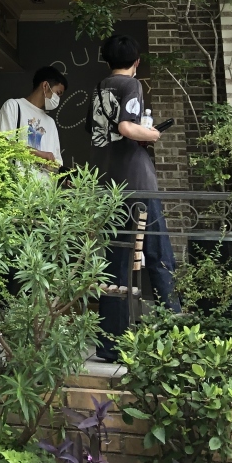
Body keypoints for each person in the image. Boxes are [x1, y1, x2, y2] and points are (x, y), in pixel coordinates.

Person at [89, 34, 180, 362]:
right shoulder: (132, 85)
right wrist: (151, 134)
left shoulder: (99, 88)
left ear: (107, 60)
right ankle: (177, 337)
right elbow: (127, 127)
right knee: (159, 255)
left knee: (116, 262)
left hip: (110, 183)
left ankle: (109, 344)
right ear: (136, 61)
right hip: (138, 183)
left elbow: (100, 133)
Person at [0, 66, 67, 166]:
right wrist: (39, 154)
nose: (57, 99)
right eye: (58, 93)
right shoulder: (14, 106)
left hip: (45, 177)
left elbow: (57, 161)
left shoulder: (51, 122)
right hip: (17, 176)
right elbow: (2, 144)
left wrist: (55, 168)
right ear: (45, 86)